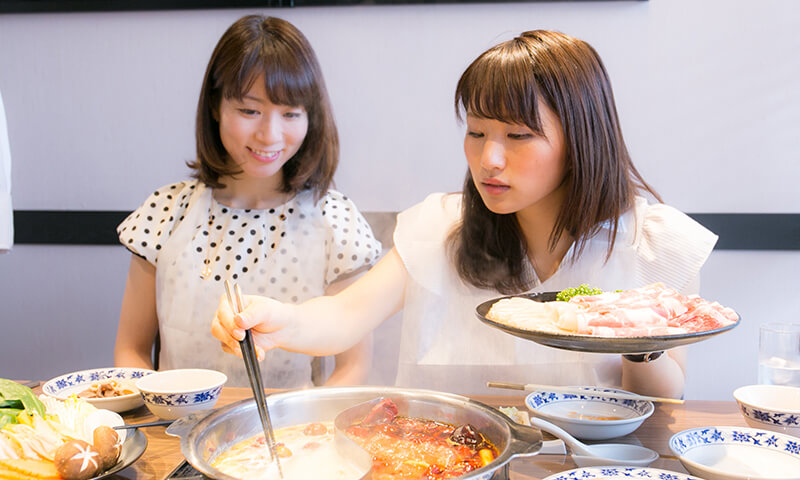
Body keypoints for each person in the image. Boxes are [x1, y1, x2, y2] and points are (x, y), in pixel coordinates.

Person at [211, 30, 717, 398]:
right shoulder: (441, 228)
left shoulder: (654, 243)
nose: (488, 159)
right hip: (450, 460)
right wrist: (277, 321)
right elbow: (344, 316)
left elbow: (664, 400)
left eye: (518, 136)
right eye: (476, 132)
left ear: (581, 139)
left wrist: (639, 337)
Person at [115, 15, 382, 389]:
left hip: (290, 438)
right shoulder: (165, 210)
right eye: (249, 111)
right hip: (175, 432)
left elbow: (352, 369)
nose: (270, 135)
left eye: (290, 113)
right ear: (215, 105)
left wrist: (303, 437)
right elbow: (131, 352)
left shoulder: (335, 219)